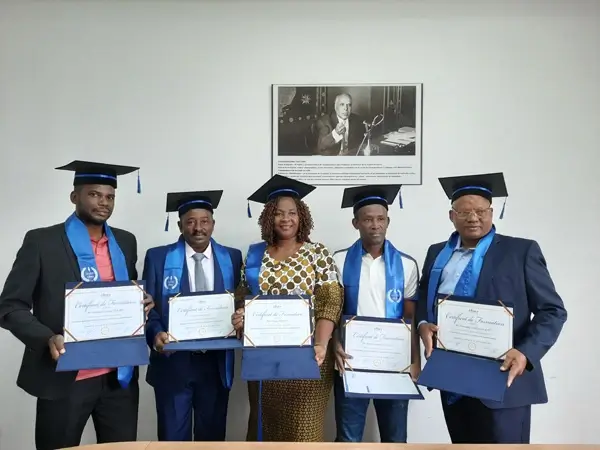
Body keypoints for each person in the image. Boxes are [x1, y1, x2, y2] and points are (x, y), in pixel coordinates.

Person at [0, 160, 155, 450]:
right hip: (65, 377)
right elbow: (9, 307)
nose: (103, 203)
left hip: (118, 378)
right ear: (74, 196)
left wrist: (142, 303)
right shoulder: (42, 241)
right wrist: (47, 338)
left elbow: (124, 294)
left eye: (109, 196)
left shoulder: (125, 241)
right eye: (94, 194)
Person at [416, 172, 567, 444]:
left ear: (492, 212)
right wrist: (423, 324)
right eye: (464, 212)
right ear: (451, 216)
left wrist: (526, 352)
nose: (473, 218)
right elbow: (423, 299)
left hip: (504, 380)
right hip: (452, 379)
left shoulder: (521, 251)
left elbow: (553, 311)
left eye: (480, 211)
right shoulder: (436, 253)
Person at [231, 174, 343, 442]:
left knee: (303, 433)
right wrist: (241, 315)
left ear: (301, 216)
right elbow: (243, 296)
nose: (286, 219)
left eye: (292, 212)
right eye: (279, 213)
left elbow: (330, 300)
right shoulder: (255, 255)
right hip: (265, 358)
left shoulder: (317, 253)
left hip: (309, 356)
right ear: (269, 217)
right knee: (264, 429)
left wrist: (321, 344)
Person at [143, 190, 243, 442]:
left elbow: (240, 302)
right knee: (172, 439)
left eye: (204, 221)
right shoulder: (158, 257)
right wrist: (156, 334)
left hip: (215, 364)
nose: (198, 228)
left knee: (212, 439)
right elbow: (147, 307)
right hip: (173, 362)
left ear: (213, 224)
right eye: (190, 222)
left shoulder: (232, 257)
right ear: (180, 225)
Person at [332, 185, 421, 443]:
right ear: (355, 223)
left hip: (394, 363)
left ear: (388, 222)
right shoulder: (338, 261)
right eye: (368, 219)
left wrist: (415, 360)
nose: (375, 225)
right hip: (351, 360)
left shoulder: (406, 264)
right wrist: (335, 343)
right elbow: (332, 310)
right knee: (348, 439)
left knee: (395, 438)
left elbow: (410, 318)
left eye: (381, 219)